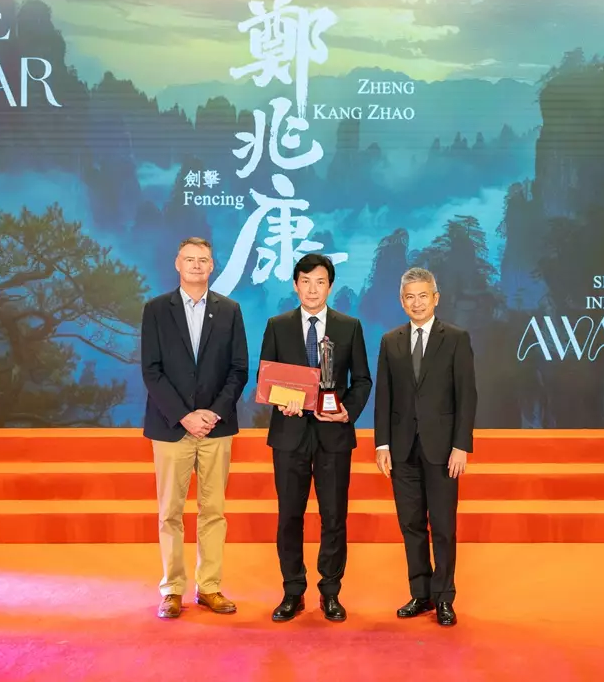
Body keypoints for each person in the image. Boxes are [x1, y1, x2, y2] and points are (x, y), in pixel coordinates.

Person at [259, 253, 372, 623]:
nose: (312, 289)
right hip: (289, 435)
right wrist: (282, 400)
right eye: (305, 281)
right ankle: (293, 591)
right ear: (295, 285)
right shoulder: (277, 326)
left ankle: (330, 591)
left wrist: (347, 411)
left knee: (333, 516)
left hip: (333, 435)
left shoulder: (348, 327)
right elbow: (265, 377)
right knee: (289, 516)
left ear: (330, 286)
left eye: (320, 282)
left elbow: (362, 380)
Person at [140, 237, 249, 619]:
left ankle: (210, 587)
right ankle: (172, 589)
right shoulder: (156, 310)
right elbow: (151, 370)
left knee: (213, 511)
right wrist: (184, 415)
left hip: (216, 428)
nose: (197, 265)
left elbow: (238, 370)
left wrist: (213, 413)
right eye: (190, 259)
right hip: (171, 426)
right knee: (169, 512)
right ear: (177, 263)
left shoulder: (230, 310)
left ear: (212, 266)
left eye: (203, 260)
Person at [374, 267, 476, 627]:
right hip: (402, 450)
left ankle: (444, 596)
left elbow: (467, 396)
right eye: (409, 297)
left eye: (422, 296)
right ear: (402, 302)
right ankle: (421, 593)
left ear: (436, 298)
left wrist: (461, 446)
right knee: (411, 524)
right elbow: (384, 396)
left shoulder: (456, 338)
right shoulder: (390, 341)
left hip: (443, 449)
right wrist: (382, 444)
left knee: (443, 526)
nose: (416, 303)